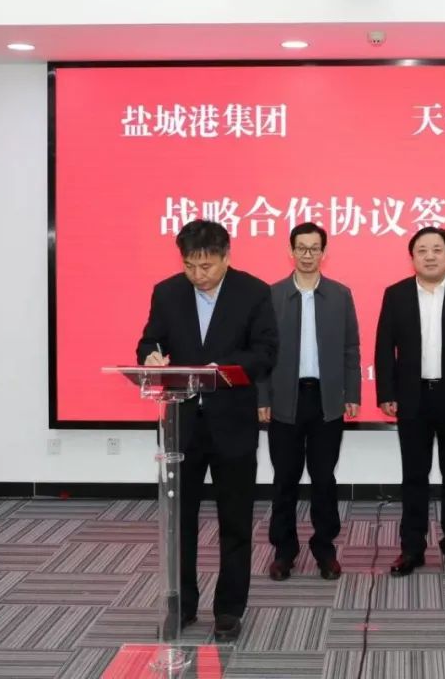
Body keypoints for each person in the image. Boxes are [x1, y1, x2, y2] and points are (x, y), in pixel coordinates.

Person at [136, 219, 278, 642]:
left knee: (235, 521)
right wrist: (151, 357)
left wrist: (224, 369)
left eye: (207, 266)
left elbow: (266, 351)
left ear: (226, 257)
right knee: (180, 522)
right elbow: (149, 341)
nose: (198, 275)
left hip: (232, 423)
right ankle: (182, 605)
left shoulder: (253, 291)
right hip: (181, 426)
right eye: (190, 266)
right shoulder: (167, 292)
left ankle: (229, 609)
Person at [375, 226, 445, 578]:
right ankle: (411, 548)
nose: (430, 256)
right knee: (414, 476)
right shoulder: (396, 293)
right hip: (412, 397)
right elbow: (384, 347)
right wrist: (386, 393)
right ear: (412, 257)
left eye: (437, 249)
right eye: (422, 250)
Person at [259, 222, 361, 581]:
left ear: (323, 252)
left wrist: (353, 393)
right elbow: (262, 353)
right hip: (284, 401)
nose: (307, 254)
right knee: (284, 479)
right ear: (291, 252)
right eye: (301, 248)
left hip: (326, 401)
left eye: (313, 248)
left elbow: (351, 349)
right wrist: (262, 396)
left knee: (323, 479)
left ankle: (325, 550)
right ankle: (284, 552)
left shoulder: (340, 294)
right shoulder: (272, 295)